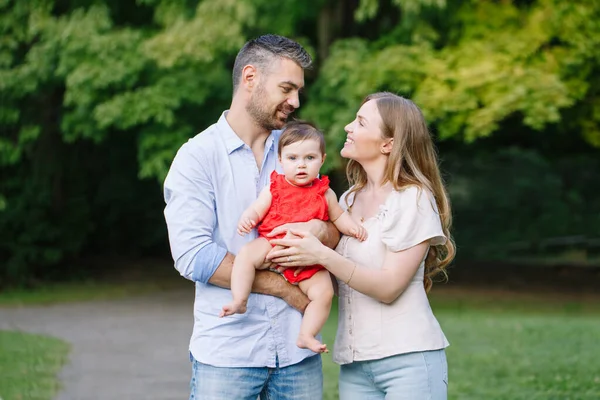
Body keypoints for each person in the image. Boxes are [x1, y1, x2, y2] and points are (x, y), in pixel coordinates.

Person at [163, 35, 340, 400]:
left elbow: (335, 227)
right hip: (229, 356)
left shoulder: (298, 151)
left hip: (297, 355)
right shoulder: (197, 157)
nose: (295, 101)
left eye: (298, 91)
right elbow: (193, 255)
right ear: (250, 78)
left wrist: (319, 229)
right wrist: (283, 289)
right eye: (287, 88)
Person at [268, 92, 456, 399]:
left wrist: (322, 254)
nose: (347, 126)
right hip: (355, 364)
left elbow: (389, 287)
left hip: (407, 360)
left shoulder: (414, 198)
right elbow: (344, 280)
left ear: (388, 144)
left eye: (360, 122)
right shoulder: (347, 201)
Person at [221, 121, 367, 354]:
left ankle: (305, 335)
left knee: (324, 293)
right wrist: (248, 218)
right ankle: (240, 298)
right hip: (273, 243)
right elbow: (257, 209)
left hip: (309, 259)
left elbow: (338, 217)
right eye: (293, 158)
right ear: (280, 160)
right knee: (246, 255)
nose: (301, 165)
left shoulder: (325, 192)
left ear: (322, 159)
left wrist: (353, 228)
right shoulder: (274, 187)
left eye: (310, 158)